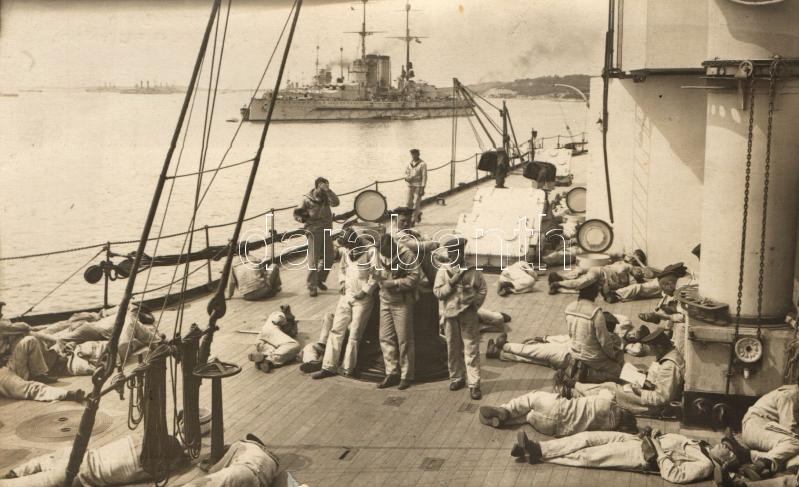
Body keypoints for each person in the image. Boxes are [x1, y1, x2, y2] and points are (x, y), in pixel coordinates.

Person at [511, 428, 747, 485]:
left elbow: (674, 475)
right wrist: (657, 435)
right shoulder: (703, 446)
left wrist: (658, 448)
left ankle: (537, 452)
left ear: (727, 459)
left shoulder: (705, 465)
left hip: (640, 455)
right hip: (638, 440)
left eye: (725, 447)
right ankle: (538, 447)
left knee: (587, 455)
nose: (721, 443)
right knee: (587, 437)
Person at [572, 327, 685, 417]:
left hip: (652, 405)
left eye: (652, 348)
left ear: (659, 347)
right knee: (621, 374)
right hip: (650, 389)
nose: (651, 352)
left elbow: (661, 398)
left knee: (611, 388)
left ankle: (576, 389)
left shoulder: (669, 366)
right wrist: (645, 376)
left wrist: (639, 391)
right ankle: (581, 386)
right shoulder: (670, 354)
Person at [0, 434, 186, 487]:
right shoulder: (147, 467)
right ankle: (13, 477)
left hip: (74, 455)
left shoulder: (134, 438)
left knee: (39, 463)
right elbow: (165, 469)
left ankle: (15, 472)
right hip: (75, 474)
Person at [313, 231, 378, 379]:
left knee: (354, 334)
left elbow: (375, 274)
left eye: (349, 246)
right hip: (346, 295)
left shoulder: (371, 251)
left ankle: (348, 368)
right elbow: (342, 268)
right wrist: (342, 282)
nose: (348, 250)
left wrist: (365, 291)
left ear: (355, 242)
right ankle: (328, 366)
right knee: (336, 330)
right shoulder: (347, 251)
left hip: (363, 298)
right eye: (346, 247)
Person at [433, 237, 487, 400]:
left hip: (468, 315)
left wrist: (474, 306)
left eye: (456, 252)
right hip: (450, 315)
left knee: (471, 350)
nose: (452, 256)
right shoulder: (444, 271)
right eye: (450, 252)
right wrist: (451, 283)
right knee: (453, 348)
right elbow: (438, 292)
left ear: (462, 253)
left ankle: (474, 384)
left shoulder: (472, 271)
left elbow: (482, 289)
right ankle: (456, 378)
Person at [486, 315, 649, 367]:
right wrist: (544, 338)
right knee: (534, 355)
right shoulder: (605, 337)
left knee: (533, 352)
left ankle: (505, 346)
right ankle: (499, 353)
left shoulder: (612, 343)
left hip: (568, 358)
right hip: (568, 352)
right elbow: (569, 338)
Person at [478, 388, 638, 436]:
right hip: (553, 427)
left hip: (557, 406)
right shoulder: (609, 429)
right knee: (527, 417)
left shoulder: (607, 401)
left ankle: (505, 410)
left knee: (530, 399)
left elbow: (606, 391)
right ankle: (501, 421)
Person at [376, 235, 421, 390]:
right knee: (385, 337)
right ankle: (392, 372)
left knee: (404, 339)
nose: (385, 257)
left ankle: (406, 375)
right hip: (385, 300)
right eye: (382, 254)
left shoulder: (407, 255)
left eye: (387, 253)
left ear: (393, 246)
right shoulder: (380, 253)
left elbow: (414, 277)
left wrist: (394, 282)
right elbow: (376, 270)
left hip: (402, 302)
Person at [565, 281, 625, 383]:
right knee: (619, 373)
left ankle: (581, 368)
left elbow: (571, 333)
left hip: (575, 352)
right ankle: (587, 375)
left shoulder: (569, 308)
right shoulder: (596, 313)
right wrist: (612, 356)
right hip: (592, 357)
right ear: (594, 294)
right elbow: (604, 341)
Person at [738, 384, 799, 480]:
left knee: (791, 449)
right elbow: (790, 430)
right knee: (794, 442)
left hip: (766, 428)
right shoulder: (790, 395)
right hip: (755, 426)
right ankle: (758, 465)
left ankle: (785, 474)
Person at [297, 177, 340, 297]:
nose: (324, 190)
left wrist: (329, 191)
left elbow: (336, 203)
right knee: (314, 260)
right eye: (322, 187)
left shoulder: (327, 196)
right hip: (313, 232)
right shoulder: (307, 199)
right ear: (316, 186)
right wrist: (304, 218)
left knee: (330, 258)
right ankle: (312, 286)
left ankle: (319, 279)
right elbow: (297, 214)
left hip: (326, 230)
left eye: (326, 187)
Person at [184, 434, 282, 487]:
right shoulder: (272, 461)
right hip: (259, 483)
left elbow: (214, 470)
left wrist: (202, 464)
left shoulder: (241, 444)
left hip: (242, 472)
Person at [248, 306, 300, 373]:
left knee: (282, 351)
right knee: (293, 344)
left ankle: (262, 358)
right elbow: (280, 320)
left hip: (262, 341)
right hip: (271, 331)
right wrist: (289, 318)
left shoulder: (276, 321)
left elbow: (291, 332)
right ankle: (269, 360)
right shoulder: (279, 314)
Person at [404, 149, 427, 224]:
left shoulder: (422, 164)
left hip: (418, 185)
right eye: (412, 154)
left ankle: (413, 220)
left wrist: (422, 188)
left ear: (418, 154)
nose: (413, 156)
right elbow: (406, 173)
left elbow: (424, 176)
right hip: (410, 185)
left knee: (416, 202)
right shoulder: (409, 164)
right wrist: (407, 178)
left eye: (415, 154)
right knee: (408, 202)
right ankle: (412, 216)